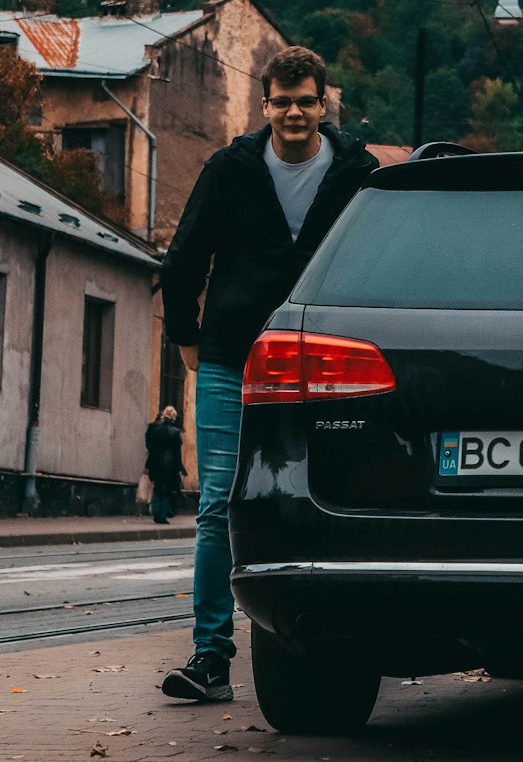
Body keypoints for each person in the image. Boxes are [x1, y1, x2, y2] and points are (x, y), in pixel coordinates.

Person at [158, 45, 378, 702]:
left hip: (326, 362)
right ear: (265, 105)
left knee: (338, 496)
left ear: (323, 102)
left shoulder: (356, 172)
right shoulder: (232, 169)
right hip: (232, 357)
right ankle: (209, 658)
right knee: (222, 504)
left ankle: (349, 645)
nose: (293, 113)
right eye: (281, 102)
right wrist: (185, 338)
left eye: (305, 101)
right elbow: (184, 255)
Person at [145, 404, 184, 524]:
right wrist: (179, 467)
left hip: (156, 462)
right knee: (167, 490)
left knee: (157, 488)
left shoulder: (156, 430)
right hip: (170, 464)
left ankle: (156, 513)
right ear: (173, 417)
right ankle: (162, 515)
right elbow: (177, 452)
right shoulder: (176, 432)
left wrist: (148, 465)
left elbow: (151, 448)